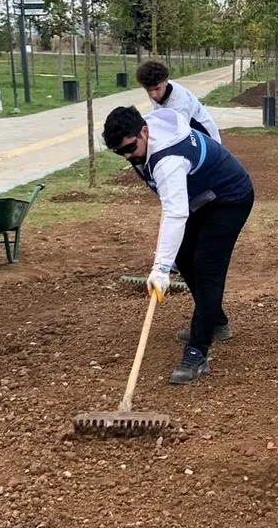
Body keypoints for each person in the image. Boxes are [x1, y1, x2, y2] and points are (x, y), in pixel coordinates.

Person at [102, 105, 254, 385]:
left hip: (229, 198)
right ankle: (216, 321)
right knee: (184, 257)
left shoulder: (167, 160)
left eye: (130, 148)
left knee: (207, 268)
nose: (127, 157)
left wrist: (160, 269)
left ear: (144, 131)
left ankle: (197, 352)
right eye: (119, 152)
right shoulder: (146, 135)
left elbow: (175, 212)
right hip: (200, 198)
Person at [136, 60, 222, 143]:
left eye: (157, 89)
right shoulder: (160, 88)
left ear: (166, 81)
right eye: (149, 90)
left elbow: (178, 136)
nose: (153, 95)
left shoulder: (179, 105)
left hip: (206, 139)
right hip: (188, 133)